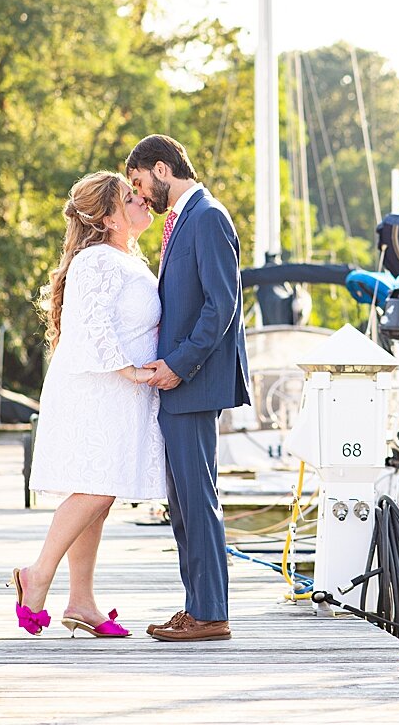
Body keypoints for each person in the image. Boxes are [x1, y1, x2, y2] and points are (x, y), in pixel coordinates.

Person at [11, 171, 165, 638]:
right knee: (96, 486)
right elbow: (93, 325)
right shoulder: (97, 260)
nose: (142, 200)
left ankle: (81, 601)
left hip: (119, 394)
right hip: (99, 389)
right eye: (129, 197)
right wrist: (130, 370)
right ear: (106, 216)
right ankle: (37, 574)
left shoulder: (124, 258)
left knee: (101, 491)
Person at [125, 134, 251, 642]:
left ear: (161, 168)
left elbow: (221, 306)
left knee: (196, 500)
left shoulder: (208, 216)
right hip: (181, 383)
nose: (140, 194)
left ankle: (210, 613)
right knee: (183, 502)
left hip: (193, 382)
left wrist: (178, 365)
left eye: (139, 182)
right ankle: (199, 606)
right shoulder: (186, 218)